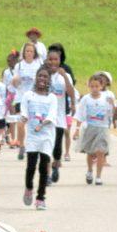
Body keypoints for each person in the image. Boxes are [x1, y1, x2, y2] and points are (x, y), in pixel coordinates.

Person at [20, 66, 58, 210]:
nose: (42, 79)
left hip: (47, 136)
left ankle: (41, 198)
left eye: (45, 77)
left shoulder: (52, 98)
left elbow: (52, 115)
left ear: (49, 80)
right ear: (36, 78)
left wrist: (41, 124)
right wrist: (24, 118)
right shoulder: (28, 95)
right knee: (31, 166)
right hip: (32, 136)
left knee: (43, 167)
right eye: (40, 76)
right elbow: (24, 111)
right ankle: (29, 188)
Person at [74, 74, 113, 185]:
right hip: (90, 127)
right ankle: (90, 170)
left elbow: (111, 113)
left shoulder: (106, 98)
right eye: (92, 86)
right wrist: (77, 129)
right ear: (89, 87)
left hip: (103, 127)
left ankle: (99, 176)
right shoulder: (86, 99)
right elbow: (80, 114)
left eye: (97, 86)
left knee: (100, 152)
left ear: (101, 86)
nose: (94, 89)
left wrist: (112, 107)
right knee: (91, 153)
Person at [45, 47, 77, 185]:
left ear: (60, 60)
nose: (53, 62)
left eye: (55, 59)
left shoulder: (65, 75)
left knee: (57, 146)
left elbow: (70, 92)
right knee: (46, 146)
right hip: (45, 117)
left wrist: (74, 104)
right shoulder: (43, 74)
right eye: (50, 59)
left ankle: (56, 164)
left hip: (59, 117)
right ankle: (46, 175)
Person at [12, 42, 41, 159]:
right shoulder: (19, 66)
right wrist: (15, 80)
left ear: (34, 53)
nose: (29, 53)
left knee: (34, 124)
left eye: (31, 51)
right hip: (20, 98)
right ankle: (22, 146)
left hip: (34, 98)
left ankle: (34, 147)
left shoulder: (38, 65)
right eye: (27, 51)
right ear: (24, 52)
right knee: (20, 124)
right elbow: (14, 84)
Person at [1, 51, 20, 148]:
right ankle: (13, 139)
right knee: (12, 118)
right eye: (8, 61)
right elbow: (4, 86)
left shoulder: (20, 70)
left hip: (19, 96)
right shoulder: (6, 72)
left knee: (17, 119)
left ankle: (6, 135)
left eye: (11, 60)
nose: (9, 62)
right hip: (10, 96)